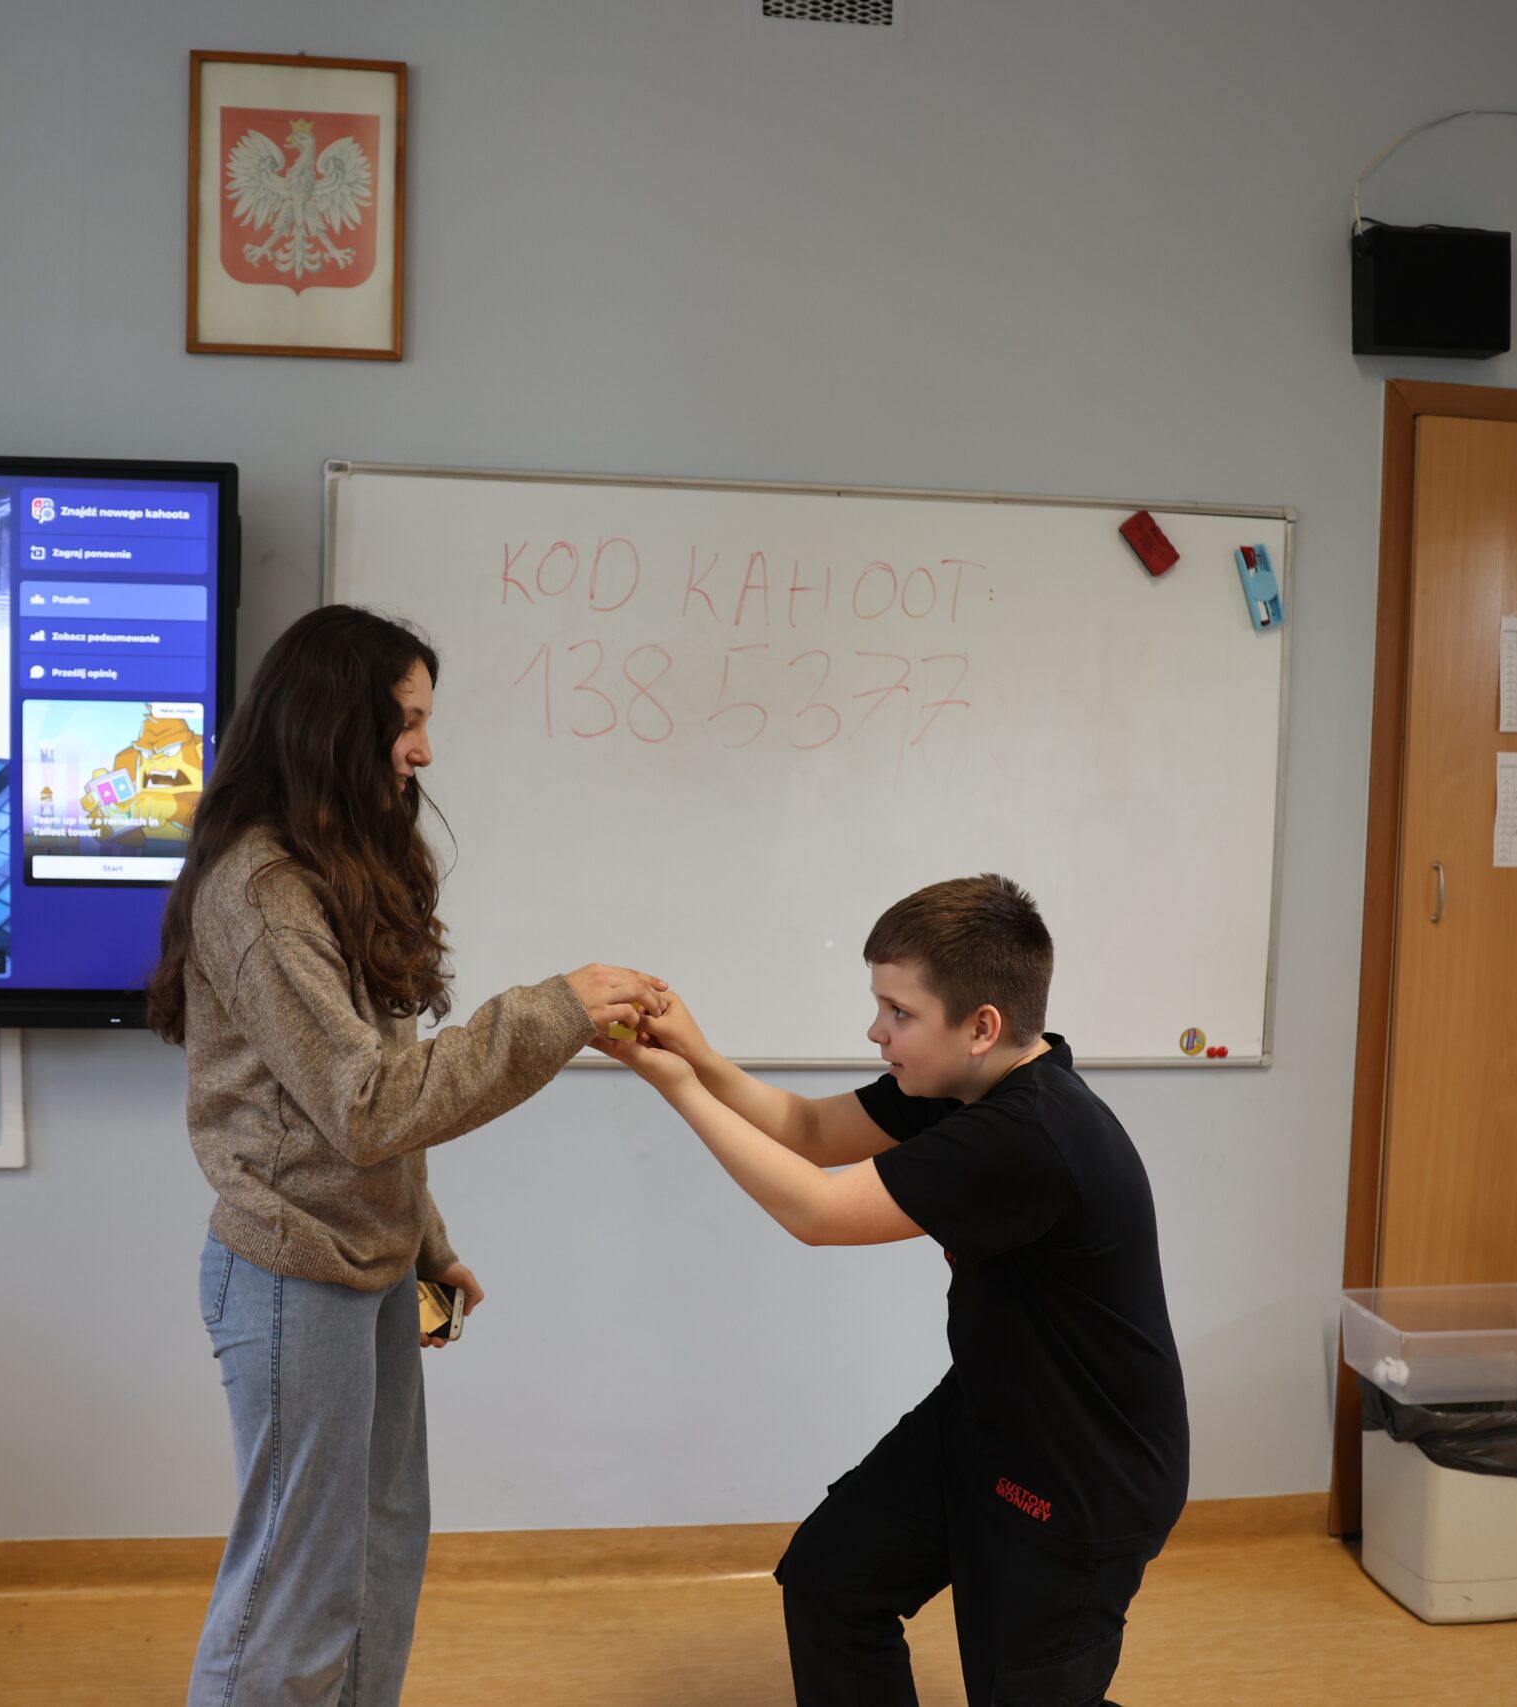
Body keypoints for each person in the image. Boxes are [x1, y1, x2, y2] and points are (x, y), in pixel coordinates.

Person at [150, 604, 665, 1707]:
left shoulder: (326, 871)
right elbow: (365, 1105)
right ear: (335, 722)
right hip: (291, 1270)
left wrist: (423, 1242)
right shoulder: (260, 892)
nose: (424, 750)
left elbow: (367, 1089)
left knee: (378, 1557)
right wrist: (553, 1010)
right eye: (408, 721)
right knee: (298, 1581)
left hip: (369, 1264)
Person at [600, 874, 1187, 1707]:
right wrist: (697, 1055)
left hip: (1082, 1471)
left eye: (898, 1012)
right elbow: (809, 1131)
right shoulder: (963, 1085)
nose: (876, 1030)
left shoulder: (1027, 1133)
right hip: (985, 1417)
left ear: (981, 1026)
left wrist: (675, 1084)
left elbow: (817, 1210)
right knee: (831, 1580)